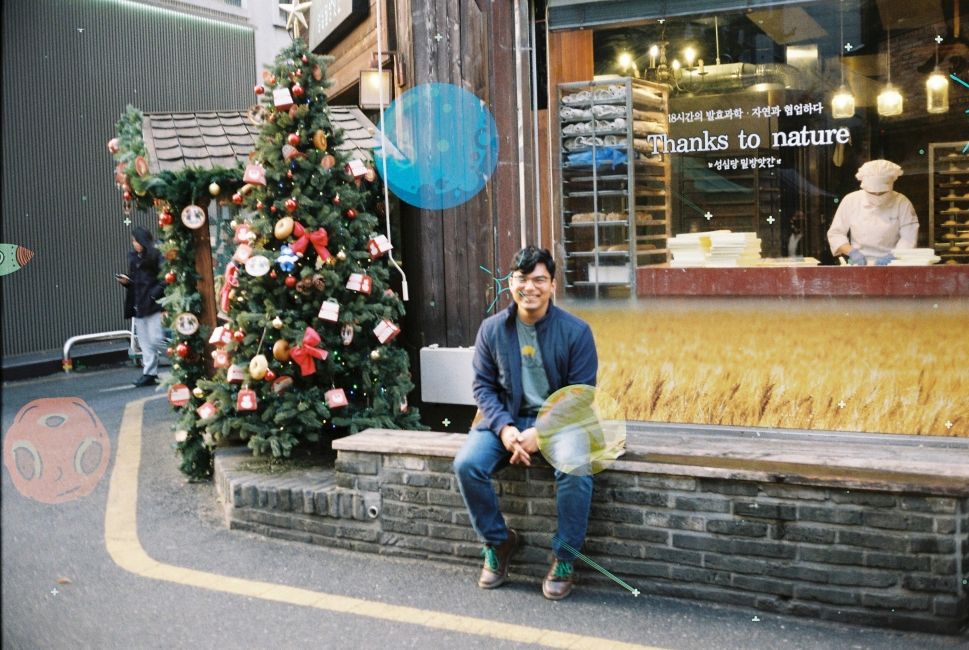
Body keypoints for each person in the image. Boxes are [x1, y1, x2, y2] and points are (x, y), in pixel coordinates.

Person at [453, 246, 598, 600]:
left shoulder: (577, 331)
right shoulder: (491, 330)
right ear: (511, 282)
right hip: (505, 419)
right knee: (467, 465)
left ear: (552, 285)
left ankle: (565, 557)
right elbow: (482, 386)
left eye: (539, 280)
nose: (529, 287)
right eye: (522, 278)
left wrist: (541, 433)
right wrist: (505, 429)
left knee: (576, 467)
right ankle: (499, 543)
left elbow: (580, 396)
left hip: (560, 422)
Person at [827, 159, 918, 265]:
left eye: (882, 193)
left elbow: (909, 237)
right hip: (859, 263)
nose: (877, 196)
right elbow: (836, 233)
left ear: (891, 186)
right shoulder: (851, 200)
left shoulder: (902, 202)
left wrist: (894, 256)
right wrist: (852, 252)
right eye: (872, 193)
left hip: (893, 263)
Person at [117, 226, 166, 387]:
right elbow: (135, 281)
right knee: (145, 343)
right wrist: (127, 281)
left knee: (156, 339)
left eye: (136, 240)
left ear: (143, 240)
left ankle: (183, 355)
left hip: (151, 303)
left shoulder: (155, 255)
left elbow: (165, 278)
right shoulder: (134, 258)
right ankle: (149, 373)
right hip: (138, 303)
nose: (134, 244)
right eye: (133, 241)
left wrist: (154, 294)